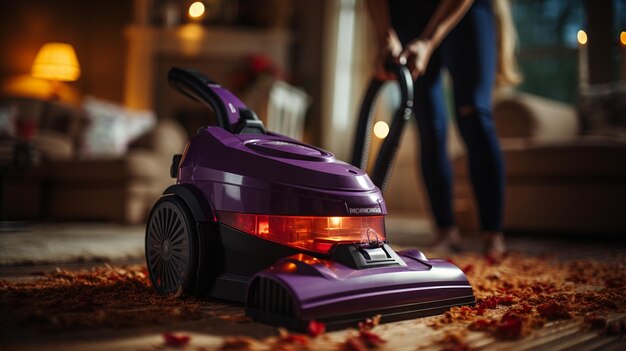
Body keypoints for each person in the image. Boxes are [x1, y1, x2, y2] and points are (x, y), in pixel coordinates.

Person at [366, 0, 521, 257]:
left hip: (461, 10)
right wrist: (385, 35)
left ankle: (492, 233)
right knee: (430, 125)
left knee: (474, 115)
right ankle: (446, 230)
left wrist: (429, 40)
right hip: (406, 13)